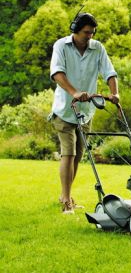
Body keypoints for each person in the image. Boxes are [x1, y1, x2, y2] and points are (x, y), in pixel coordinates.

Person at [49, 12, 119, 214]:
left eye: (92, 33)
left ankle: (66, 195)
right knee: (68, 153)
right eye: (86, 33)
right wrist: (74, 92)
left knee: (78, 155)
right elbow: (57, 73)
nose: (89, 36)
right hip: (64, 109)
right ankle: (66, 202)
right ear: (75, 31)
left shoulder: (97, 48)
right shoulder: (61, 46)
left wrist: (114, 93)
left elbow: (109, 71)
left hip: (86, 111)